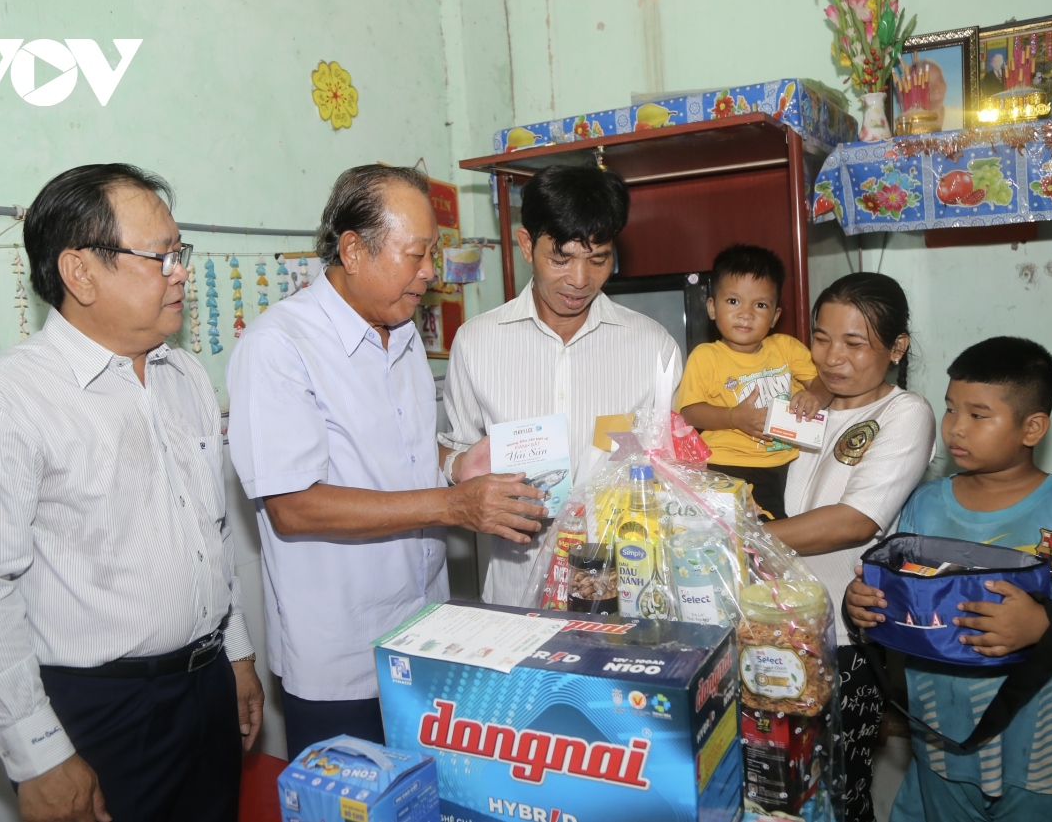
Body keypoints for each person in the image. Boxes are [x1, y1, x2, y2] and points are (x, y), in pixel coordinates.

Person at [0, 164, 263, 822]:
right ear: (80, 272)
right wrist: (38, 755)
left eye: (180, 252)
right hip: (102, 711)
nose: (179, 272)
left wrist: (238, 654)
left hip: (206, 686)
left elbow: (210, 533)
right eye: (160, 256)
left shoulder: (184, 374)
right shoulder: (4, 400)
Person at [225, 165, 544, 760]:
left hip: (423, 634)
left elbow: (398, 453)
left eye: (432, 253)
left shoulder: (400, 333)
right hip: (342, 658)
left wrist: (455, 465)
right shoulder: (279, 348)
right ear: (353, 248)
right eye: (416, 254)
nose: (429, 271)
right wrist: (455, 505)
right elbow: (294, 506)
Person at [847, 337, 1052, 822]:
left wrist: (1040, 627)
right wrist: (865, 602)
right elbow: (904, 597)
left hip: (1044, 747)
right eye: (950, 410)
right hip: (944, 739)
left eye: (979, 415)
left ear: (1032, 427)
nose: (956, 429)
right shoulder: (924, 504)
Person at [438, 164, 681, 606]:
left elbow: (674, 471)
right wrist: (461, 469)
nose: (579, 280)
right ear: (527, 244)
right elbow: (456, 455)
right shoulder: (477, 342)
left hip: (626, 586)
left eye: (599, 258)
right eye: (561, 258)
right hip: (515, 590)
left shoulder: (653, 348)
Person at [764, 272, 936, 822]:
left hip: (845, 639)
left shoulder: (903, 413)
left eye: (854, 343)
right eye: (821, 338)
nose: (833, 357)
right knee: (778, 789)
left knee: (840, 788)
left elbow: (855, 521)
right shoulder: (803, 403)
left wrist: (736, 539)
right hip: (770, 625)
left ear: (897, 347)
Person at [678, 244, 831, 521]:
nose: (746, 313)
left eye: (760, 305)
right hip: (728, 464)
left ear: (774, 316)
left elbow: (822, 383)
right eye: (733, 301)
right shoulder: (706, 356)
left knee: (779, 532)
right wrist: (734, 417)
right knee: (754, 534)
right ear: (712, 307)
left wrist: (815, 398)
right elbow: (690, 411)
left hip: (788, 463)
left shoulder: (786, 348)